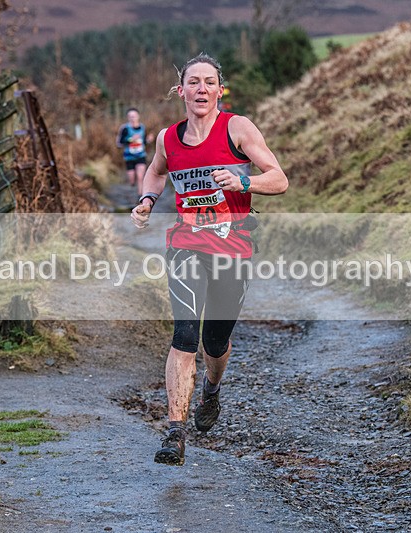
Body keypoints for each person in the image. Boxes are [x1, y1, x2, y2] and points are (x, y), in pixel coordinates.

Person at [130, 53, 288, 466]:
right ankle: (174, 432)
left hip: (232, 248)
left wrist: (244, 180)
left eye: (209, 82)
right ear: (180, 90)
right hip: (186, 244)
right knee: (185, 335)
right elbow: (156, 171)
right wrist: (147, 199)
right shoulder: (168, 137)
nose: (202, 89)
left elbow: (279, 177)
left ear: (221, 89)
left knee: (215, 342)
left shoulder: (237, 128)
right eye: (194, 82)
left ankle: (212, 391)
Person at [116, 107, 150, 196]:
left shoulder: (142, 127)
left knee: (140, 177)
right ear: (128, 117)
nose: (132, 118)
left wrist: (148, 140)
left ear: (138, 116)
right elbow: (119, 143)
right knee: (131, 180)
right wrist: (131, 140)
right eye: (130, 116)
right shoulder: (125, 128)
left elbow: (144, 141)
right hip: (129, 156)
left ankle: (141, 197)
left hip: (141, 155)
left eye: (134, 116)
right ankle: (132, 183)